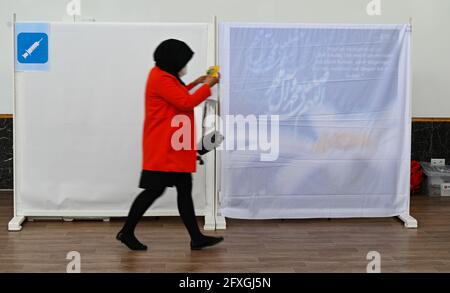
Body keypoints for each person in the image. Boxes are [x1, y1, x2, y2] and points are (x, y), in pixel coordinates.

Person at [116, 39, 223, 251]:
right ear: (173, 61)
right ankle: (126, 232)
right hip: (164, 148)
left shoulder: (163, 75)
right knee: (153, 191)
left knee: (183, 189)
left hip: (172, 146)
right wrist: (208, 85)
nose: (184, 67)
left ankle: (196, 238)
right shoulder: (161, 78)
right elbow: (185, 102)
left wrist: (197, 83)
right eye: (183, 62)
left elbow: (179, 94)